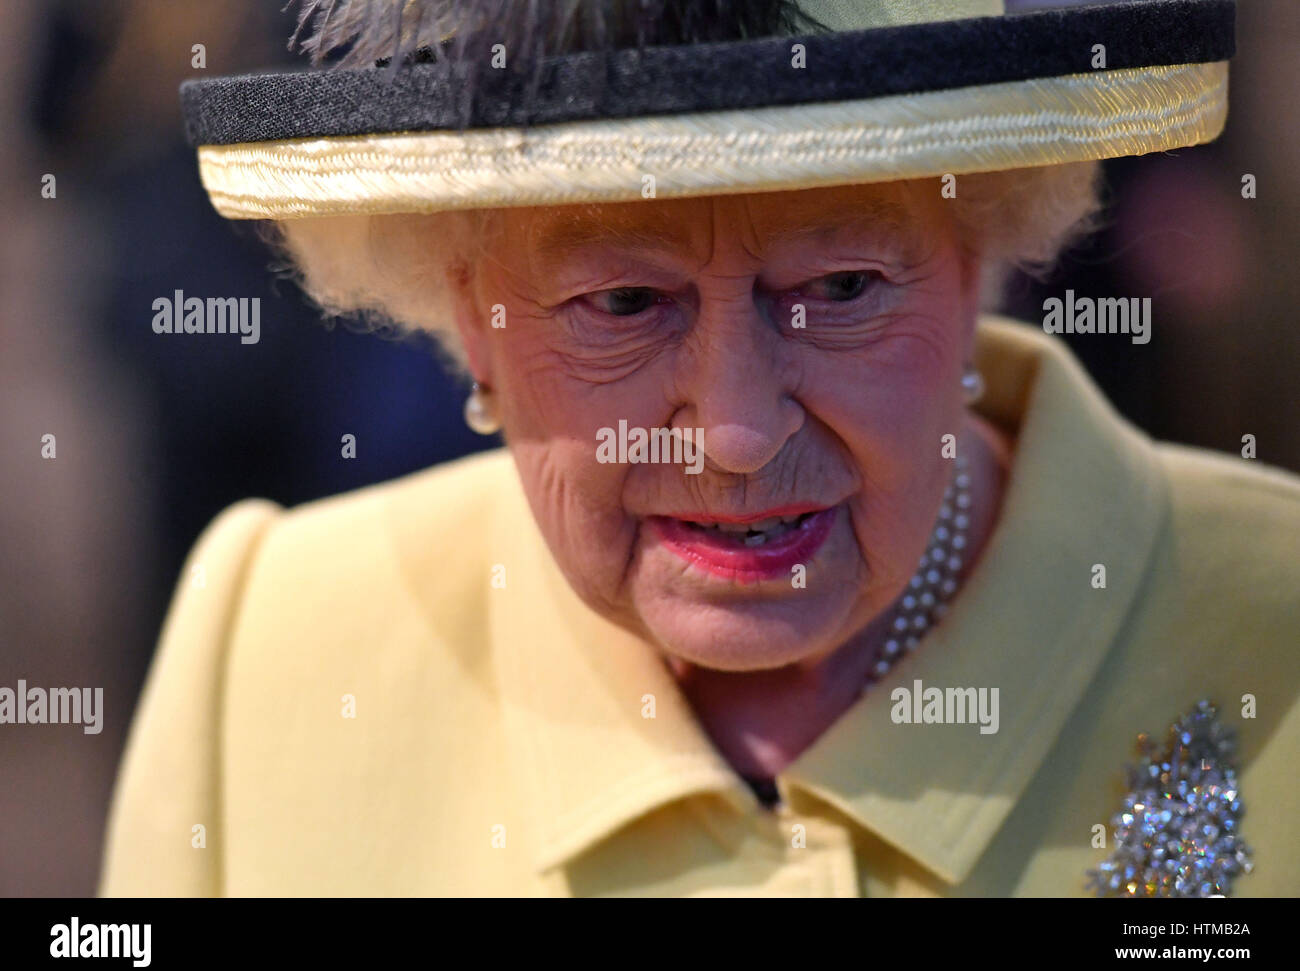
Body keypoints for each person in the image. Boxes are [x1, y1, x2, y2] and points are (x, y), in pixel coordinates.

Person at [100, 0, 1297, 897]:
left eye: (839, 286)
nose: (733, 434)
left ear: (981, 255)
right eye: (623, 304)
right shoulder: (270, 648)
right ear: (473, 318)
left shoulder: (1270, 615)